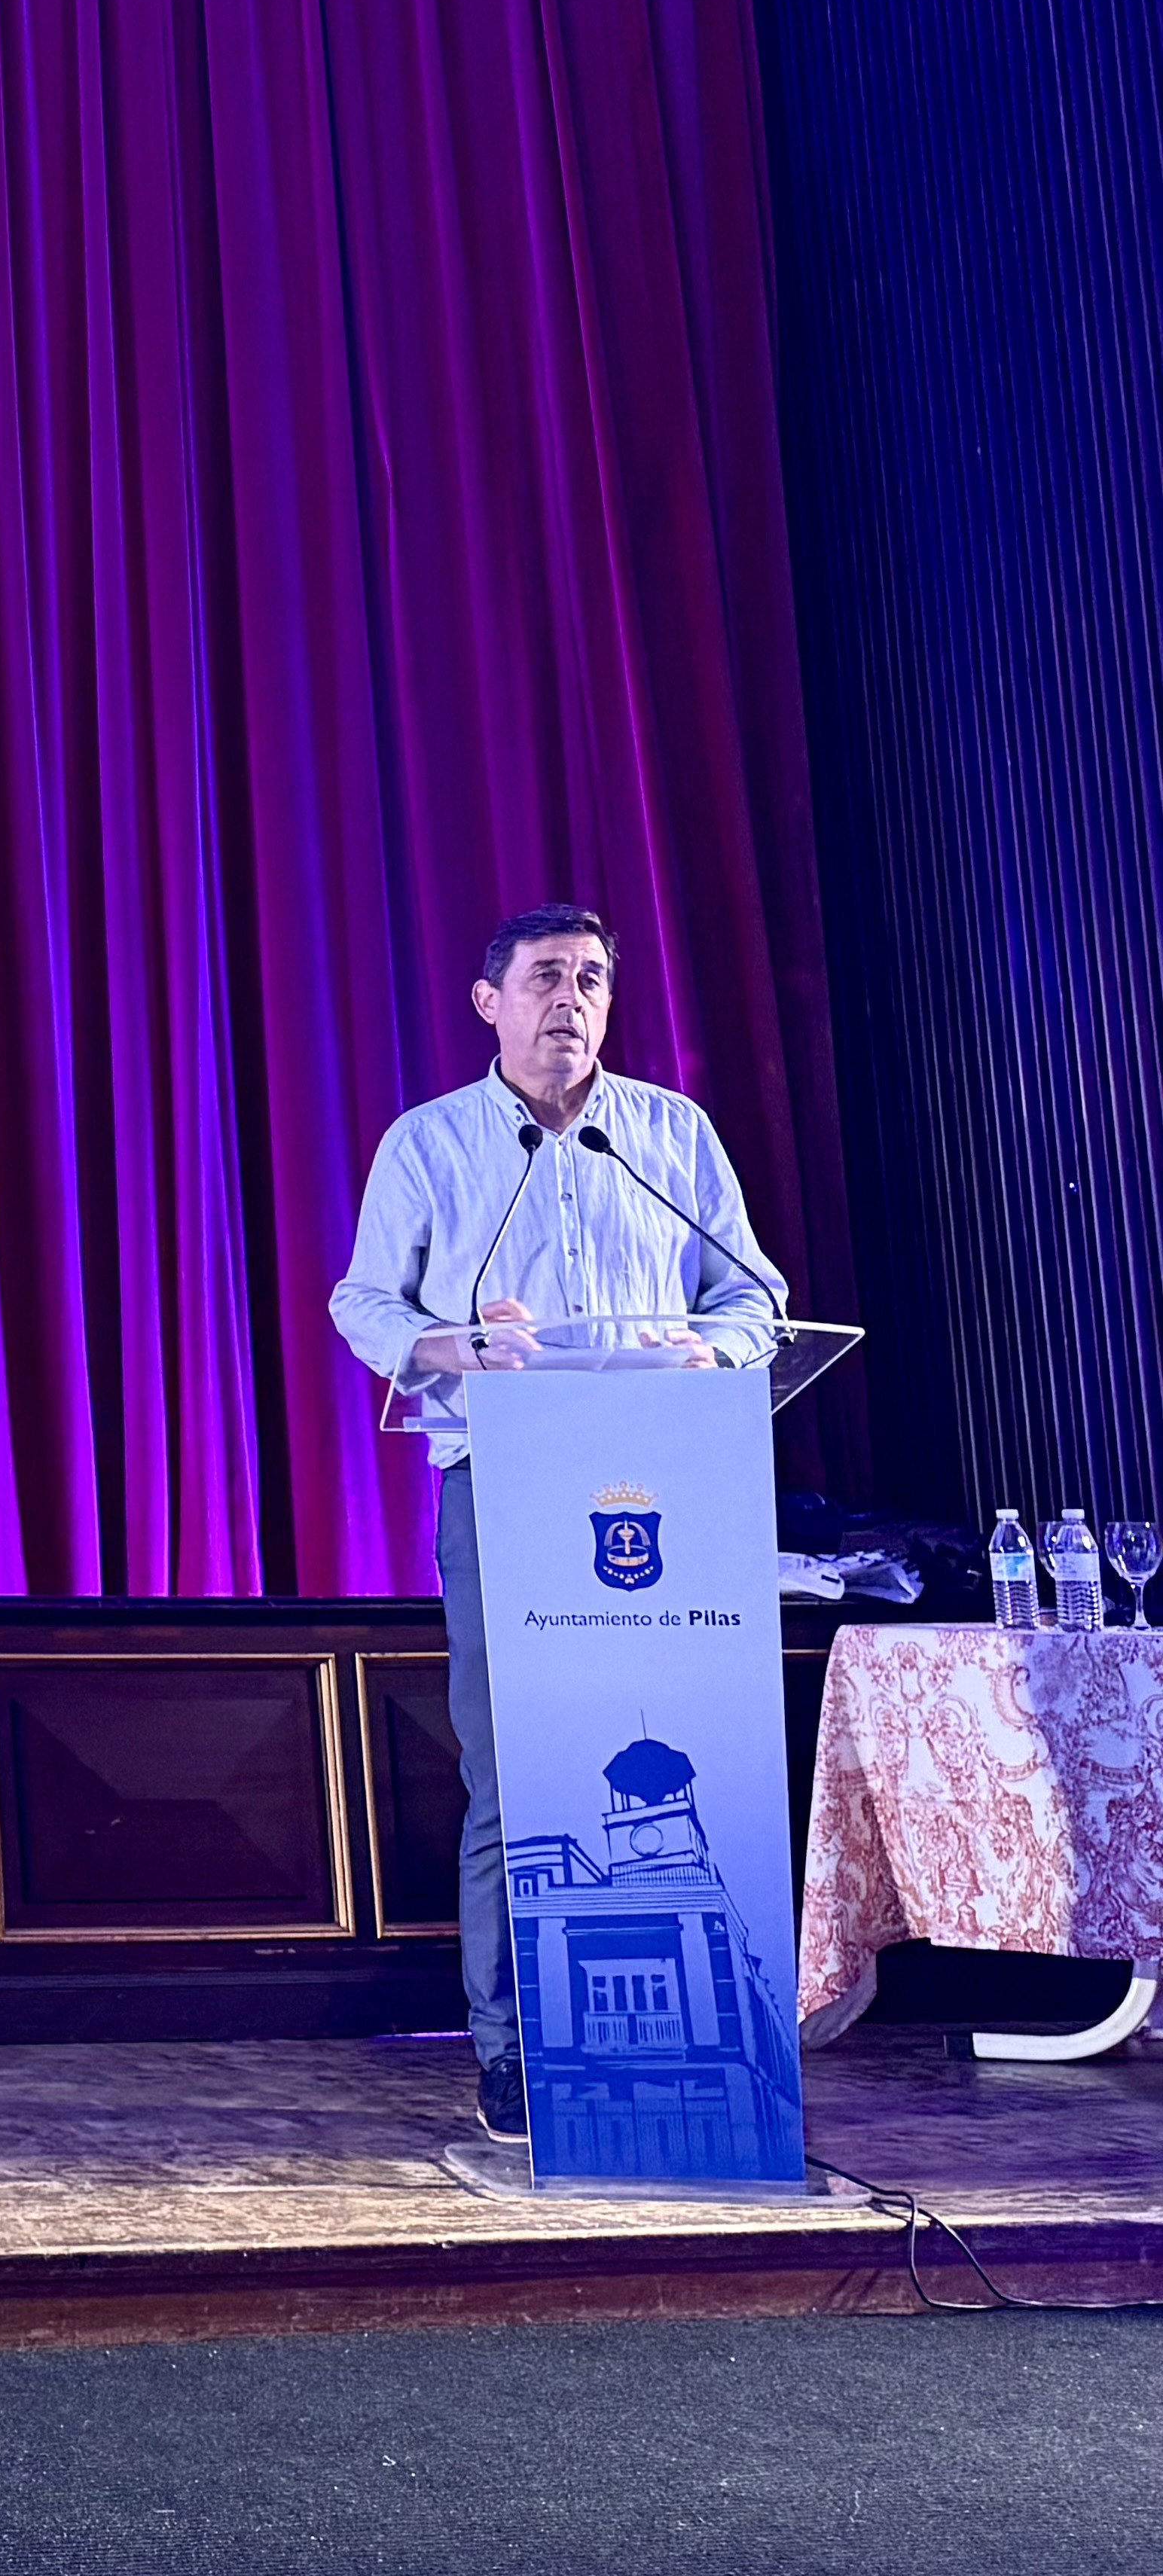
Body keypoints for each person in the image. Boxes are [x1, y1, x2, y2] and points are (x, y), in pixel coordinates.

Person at [328, 904, 786, 2144]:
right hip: (508, 1478)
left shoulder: (671, 1134)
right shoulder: (431, 1145)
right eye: (544, 977)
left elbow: (755, 1296)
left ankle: (714, 2040)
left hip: (666, 1484)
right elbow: (364, 1300)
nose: (570, 999)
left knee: (679, 1751)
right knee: (514, 1771)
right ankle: (515, 2054)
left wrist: (713, 1348)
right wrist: (453, 1345)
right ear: (491, 1003)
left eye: (590, 978)